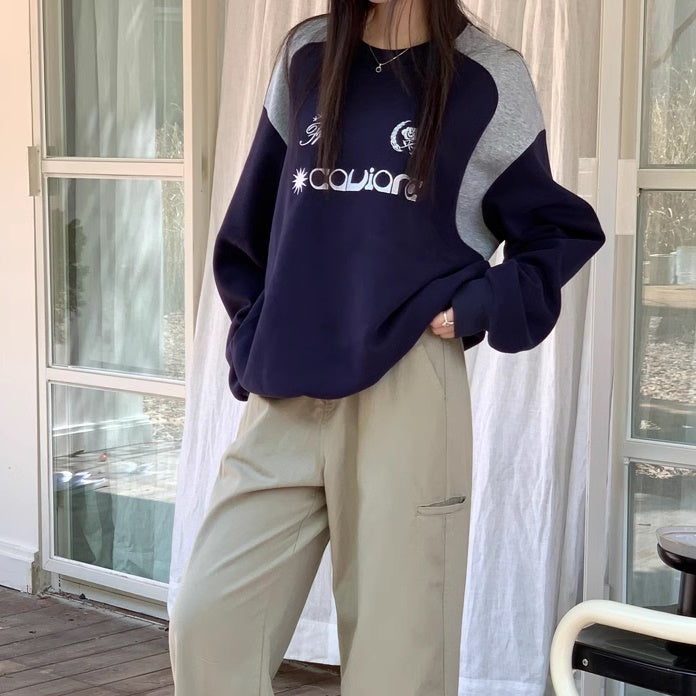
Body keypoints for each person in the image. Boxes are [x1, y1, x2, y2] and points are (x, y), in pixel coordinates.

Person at [168, 1, 606, 694]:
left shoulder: (488, 76)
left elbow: (558, 228)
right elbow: (254, 218)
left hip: (408, 392)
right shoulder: (308, 55)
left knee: (397, 665)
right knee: (208, 627)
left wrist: (481, 303)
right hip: (287, 387)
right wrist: (254, 329)